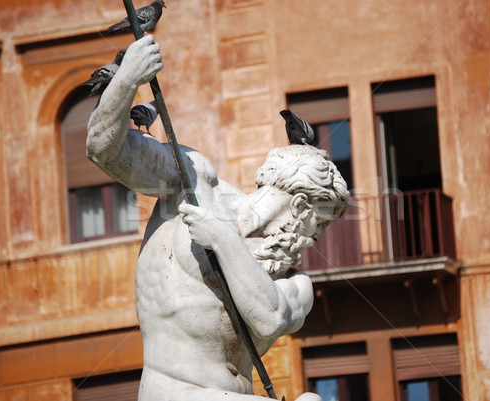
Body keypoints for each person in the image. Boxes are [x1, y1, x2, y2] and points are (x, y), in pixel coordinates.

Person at [86, 35, 349, 401]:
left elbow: (269, 316)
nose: (315, 239)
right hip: (175, 392)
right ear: (300, 206)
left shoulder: (296, 283)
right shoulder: (193, 178)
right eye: (318, 223)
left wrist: (222, 239)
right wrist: (128, 79)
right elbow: (104, 151)